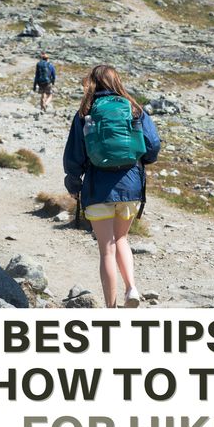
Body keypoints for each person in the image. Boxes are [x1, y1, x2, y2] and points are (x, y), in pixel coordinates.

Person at [63, 64, 161, 308]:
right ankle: (131, 288)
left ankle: (111, 309)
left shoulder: (85, 111)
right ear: (117, 81)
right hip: (130, 187)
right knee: (122, 240)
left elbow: (75, 155)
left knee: (106, 250)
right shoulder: (134, 108)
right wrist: (142, 160)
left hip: (97, 189)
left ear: (93, 83)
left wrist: (73, 182)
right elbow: (153, 145)